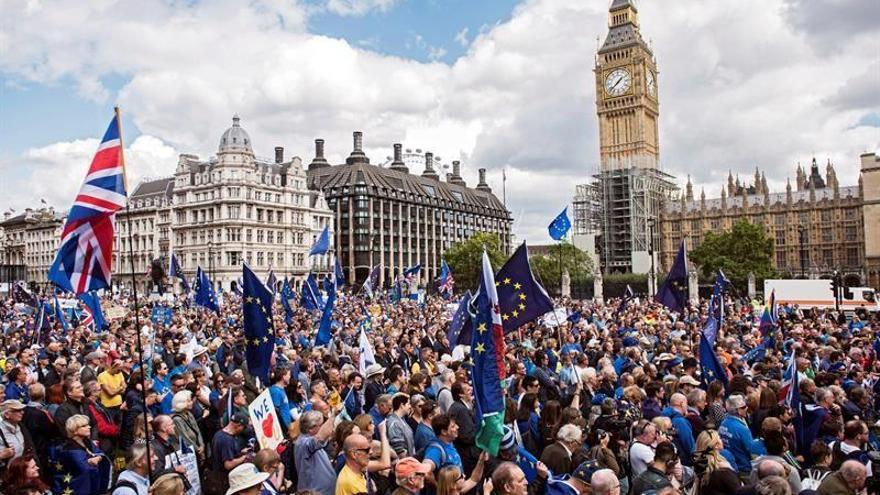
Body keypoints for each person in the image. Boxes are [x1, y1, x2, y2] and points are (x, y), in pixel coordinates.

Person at [53, 414, 110, 495]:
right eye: (84, 426)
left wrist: (94, 459)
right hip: (78, 488)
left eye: (88, 424)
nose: (89, 427)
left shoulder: (87, 441)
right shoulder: (70, 448)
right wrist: (92, 460)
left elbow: (99, 454)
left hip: (90, 485)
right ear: (74, 430)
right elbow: (85, 468)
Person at [295, 408, 341, 495]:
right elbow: (321, 437)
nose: (323, 426)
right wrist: (333, 416)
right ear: (311, 429)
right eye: (321, 425)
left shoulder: (308, 439)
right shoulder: (303, 444)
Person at [718, 394, 755, 477]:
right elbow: (751, 450)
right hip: (743, 468)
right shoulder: (742, 429)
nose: (747, 408)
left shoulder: (723, 423)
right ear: (737, 410)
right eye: (743, 407)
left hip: (730, 465)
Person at [694, 429, 740, 495]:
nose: (721, 440)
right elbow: (738, 490)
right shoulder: (723, 470)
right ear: (716, 445)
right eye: (719, 438)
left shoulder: (699, 467)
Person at [424, 414, 463, 486]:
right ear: (444, 432)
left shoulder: (449, 442)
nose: (457, 427)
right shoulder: (436, 449)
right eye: (453, 426)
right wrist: (439, 487)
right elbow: (425, 470)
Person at [171, 390, 205, 461]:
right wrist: (198, 449)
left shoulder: (189, 414)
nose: (191, 403)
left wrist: (202, 445)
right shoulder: (177, 419)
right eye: (188, 401)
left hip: (197, 446)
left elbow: (197, 430)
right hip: (189, 451)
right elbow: (184, 438)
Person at [0, 399, 33, 467]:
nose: (22, 412)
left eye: (22, 410)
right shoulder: (1, 431)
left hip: (22, 472)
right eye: (18, 410)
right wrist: (1, 456)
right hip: (6, 474)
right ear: (7, 414)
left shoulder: (21, 427)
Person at [387, 392, 415, 457]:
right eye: (408, 404)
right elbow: (400, 450)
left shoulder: (402, 419)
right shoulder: (394, 423)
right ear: (402, 405)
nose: (410, 406)